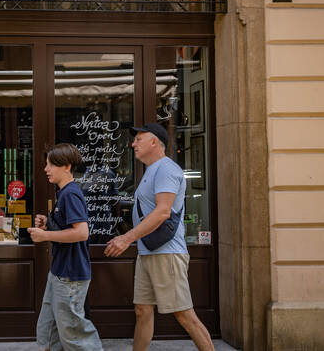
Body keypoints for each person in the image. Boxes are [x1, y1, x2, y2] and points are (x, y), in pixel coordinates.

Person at [104, 123, 214, 351]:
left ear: (154, 142)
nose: (133, 144)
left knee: (184, 315)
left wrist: (126, 239)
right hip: (149, 252)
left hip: (166, 253)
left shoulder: (166, 169)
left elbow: (163, 211)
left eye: (139, 139)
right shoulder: (152, 170)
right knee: (142, 310)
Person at [27, 143, 103, 351]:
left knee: (74, 334)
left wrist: (45, 235)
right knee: (48, 331)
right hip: (60, 272)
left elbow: (81, 232)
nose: (46, 169)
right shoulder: (65, 193)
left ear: (67, 166)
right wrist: (48, 223)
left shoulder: (70, 193)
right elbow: (68, 228)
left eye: (51, 164)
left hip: (70, 275)